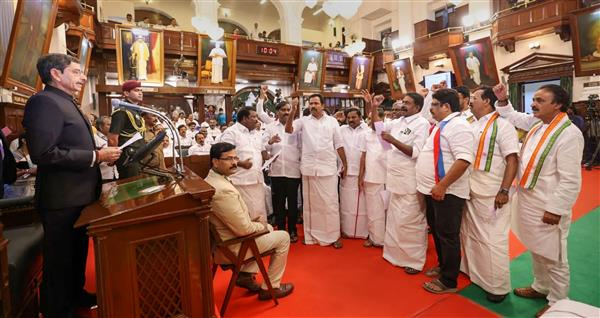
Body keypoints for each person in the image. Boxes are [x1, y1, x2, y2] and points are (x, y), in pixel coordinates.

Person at [23, 53, 122, 317]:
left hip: (79, 197)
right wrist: (95, 157)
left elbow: (72, 142)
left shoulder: (67, 102)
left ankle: (75, 295)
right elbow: (43, 153)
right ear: (56, 74)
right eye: (77, 72)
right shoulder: (44, 102)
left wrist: (99, 150)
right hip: (61, 199)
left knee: (77, 254)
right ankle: (57, 310)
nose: (81, 78)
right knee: (60, 260)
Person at [493, 83, 584, 317]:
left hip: (548, 205)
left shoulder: (569, 134)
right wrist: (502, 99)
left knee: (554, 256)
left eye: (541, 100)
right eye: (534, 99)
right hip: (529, 200)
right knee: (537, 249)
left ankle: (558, 302)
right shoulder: (537, 124)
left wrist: (556, 209)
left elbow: (570, 179)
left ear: (558, 105)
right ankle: (540, 287)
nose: (533, 104)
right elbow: (512, 116)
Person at [205, 142, 294, 300]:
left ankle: (245, 274)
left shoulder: (213, 179)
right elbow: (243, 230)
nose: (234, 162)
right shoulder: (222, 189)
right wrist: (259, 225)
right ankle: (270, 287)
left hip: (228, 241)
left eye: (235, 158)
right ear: (215, 161)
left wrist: (260, 226)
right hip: (235, 246)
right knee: (284, 237)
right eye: (229, 159)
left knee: (269, 227)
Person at [460, 86, 519, 303]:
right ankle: (475, 273)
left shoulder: (503, 126)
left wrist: (504, 190)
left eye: (474, 98)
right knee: (469, 233)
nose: (470, 101)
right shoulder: (472, 125)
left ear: (486, 101)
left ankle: (497, 287)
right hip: (471, 188)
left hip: (493, 191)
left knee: (493, 238)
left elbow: (512, 159)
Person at [416, 88, 474, 294]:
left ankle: (449, 280)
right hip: (434, 190)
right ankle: (443, 265)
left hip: (447, 191)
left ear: (446, 107)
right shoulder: (444, 124)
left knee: (448, 235)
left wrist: (442, 185)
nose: (430, 109)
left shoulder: (459, 126)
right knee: (439, 231)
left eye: (433, 105)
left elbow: (463, 159)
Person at [368, 91, 430, 273]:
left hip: (410, 179)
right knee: (395, 220)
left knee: (410, 221)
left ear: (417, 107)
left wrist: (393, 140)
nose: (402, 105)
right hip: (394, 178)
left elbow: (416, 152)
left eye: (407, 103)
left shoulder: (422, 123)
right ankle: (394, 254)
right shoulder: (398, 121)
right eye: (402, 102)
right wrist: (373, 106)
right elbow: (376, 127)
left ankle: (413, 260)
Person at [285, 94, 348, 249]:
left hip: (327, 168)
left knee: (330, 203)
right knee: (311, 206)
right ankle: (312, 236)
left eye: (316, 103)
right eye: (310, 103)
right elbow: (288, 130)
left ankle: (333, 236)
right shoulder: (303, 121)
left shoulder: (332, 121)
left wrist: (345, 164)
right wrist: (293, 110)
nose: (313, 106)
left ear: (323, 105)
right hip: (309, 168)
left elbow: (338, 144)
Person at [257, 97, 302, 243]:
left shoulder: (297, 127)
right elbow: (262, 145)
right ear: (277, 112)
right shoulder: (270, 128)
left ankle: (293, 230)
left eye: (289, 110)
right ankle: (282, 230)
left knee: (293, 203)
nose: (286, 112)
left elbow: (302, 147)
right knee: (278, 203)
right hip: (276, 171)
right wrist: (270, 142)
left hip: (293, 170)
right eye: (283, 110)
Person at [220, 107, 267, 221]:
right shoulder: (231, 132)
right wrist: (241, 163)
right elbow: (223, 155)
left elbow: (261, 152)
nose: (257, 120)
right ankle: (251, 238)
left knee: (260, 211)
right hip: (240, 181)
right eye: (254, 117)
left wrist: (270, 157)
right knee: (247, 215)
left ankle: (262, 235)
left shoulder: (257, 133)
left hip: (257, 180)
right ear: (244, 118)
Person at [358, 105, 387, 248]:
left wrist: (373, 105)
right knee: (371, 210)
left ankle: (384, 239)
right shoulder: (366, 134)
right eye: (369, 118)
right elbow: (363, 156)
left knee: (383, 211)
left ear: (382, 119)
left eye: (374, 118)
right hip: (370, 176)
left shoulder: (386, 132)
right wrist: (360, 177)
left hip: (385, 178)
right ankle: (373, 236)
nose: (371, 121)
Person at [339, 108, 369, 239]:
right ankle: (347, 231)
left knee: (362, 206)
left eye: (354, 117)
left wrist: (363, 174)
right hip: (345, 172)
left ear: (360, 117)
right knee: (346, 204)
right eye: (348, 118)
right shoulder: (341, 130)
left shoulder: (367, 130)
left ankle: (363, 232)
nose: (351, 120)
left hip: (362, 173)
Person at [108, 80, 146, 179]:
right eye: (136, 90)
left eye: (141, 90)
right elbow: (112, 138)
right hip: (127, 156)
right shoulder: (121, 111)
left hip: (138, 154)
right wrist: (112, 158)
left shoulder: (135, 111)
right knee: (130, 187)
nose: (140, 92)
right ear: (126, 93)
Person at [94, 116, 119, 181]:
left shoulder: (113, 138)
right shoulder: (95, 138)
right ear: (100, 126)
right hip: (102, 176)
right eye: (109, 125)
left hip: (114, 175)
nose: (112, 127)